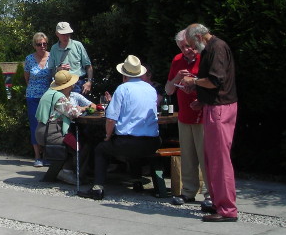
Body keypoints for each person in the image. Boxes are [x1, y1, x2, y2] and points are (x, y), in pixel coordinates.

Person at [78, 55, 160, 200]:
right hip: (152, 142)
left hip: (128, 141)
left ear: (124, 75)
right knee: (134, 142)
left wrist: (108, 135)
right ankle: (137, 181)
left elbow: (111, 118)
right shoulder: (151, 89)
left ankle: (98, 188)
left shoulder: (123, 89)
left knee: (101, 149)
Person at [181, 23, 238, 223]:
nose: (192, 48)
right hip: (214, 106)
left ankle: (227, 209)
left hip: (220, 109)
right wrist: (202, 99)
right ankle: (218, 203)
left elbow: (215, 81)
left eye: (191, 43)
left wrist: (194, 82)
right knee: (211, 158)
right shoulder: (210, 49)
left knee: (219, 159)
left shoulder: (217, 48)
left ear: (199, 37)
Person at [165, 28, 210, 207]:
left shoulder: (205, 57)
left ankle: (209, 193)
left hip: (204, 115)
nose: (186, 50)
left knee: (205, 156)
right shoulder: (177, 60)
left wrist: (201, 98)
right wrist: (177, 76)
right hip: (184, 115)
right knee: (188, 156)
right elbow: (168, 90)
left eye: (188, 46)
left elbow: (214, 84)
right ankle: (188, 191)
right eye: (182, 47)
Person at [34, 71, 90, 184]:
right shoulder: (60, 97)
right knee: (81, 147)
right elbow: (74, 113)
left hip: (41, 131)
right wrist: (83, 108)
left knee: (73, 141)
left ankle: (64, 171)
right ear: (69, 85)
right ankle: (70, 173)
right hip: (52, 134)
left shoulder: (48, 93)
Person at [24, 32, 51, 167]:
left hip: (48, 97)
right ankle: (37, 156)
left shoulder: (52, 57)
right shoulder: (29, 59)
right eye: (39, 44)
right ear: (35, 45)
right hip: (33, 96)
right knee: (35, 126)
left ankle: (47, 155)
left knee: (47, 126)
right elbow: (27, 78)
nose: (42, 46)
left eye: (44, 44)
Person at [46, 22, 94, 96]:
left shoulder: (78, 45)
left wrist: (89, 82)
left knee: (81, 107)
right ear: (57, 34)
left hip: (79, 84)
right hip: (61, 85)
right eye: (63, 34)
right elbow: (50, 70)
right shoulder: (54, 49)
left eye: (67, 34)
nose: (65, 37)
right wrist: (58, 69)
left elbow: (88, 66)